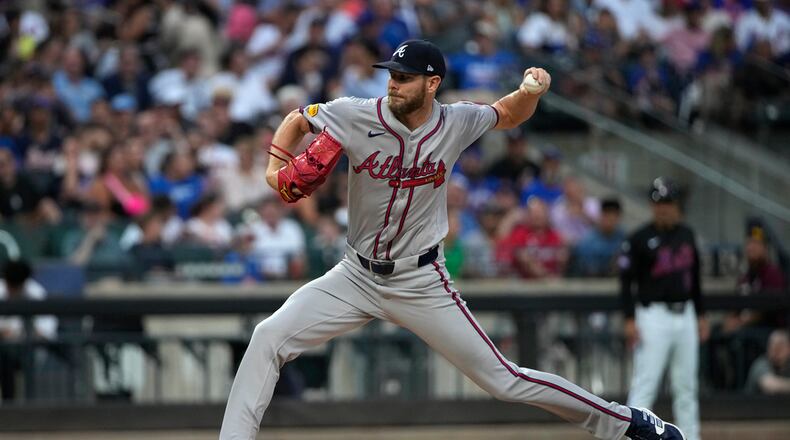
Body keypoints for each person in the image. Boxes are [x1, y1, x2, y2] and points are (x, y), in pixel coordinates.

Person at [220, 39, 684, 440]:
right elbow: (299, 119)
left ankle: (628, 424)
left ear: (432, 83)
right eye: (391, 74)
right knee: (267, 337)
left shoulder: (456, 122)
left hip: (421, 282)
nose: (393, 83)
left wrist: (528, 92)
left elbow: (507, 114)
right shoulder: (353, 114)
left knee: (505, 379)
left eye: (404, 77)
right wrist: (274, 164)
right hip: (354, 277)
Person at [620, 177, 706, 440]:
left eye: (668, 202)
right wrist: (628, 319)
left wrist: (701, 314)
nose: (664, 208)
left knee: (687, 386)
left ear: (676, 205)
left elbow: (695, 278)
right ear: (651, 205)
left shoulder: (687, 234)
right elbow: (625, 283)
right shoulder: (639, 239)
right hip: (652, 316)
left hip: (686, 314)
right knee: (645, 384)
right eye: (659, 202)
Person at [745, 329, 790, 394]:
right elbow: (771, 386)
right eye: (772, 345)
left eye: (780, 345)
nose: (776, 350)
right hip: (754, 403)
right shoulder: (761, 363)